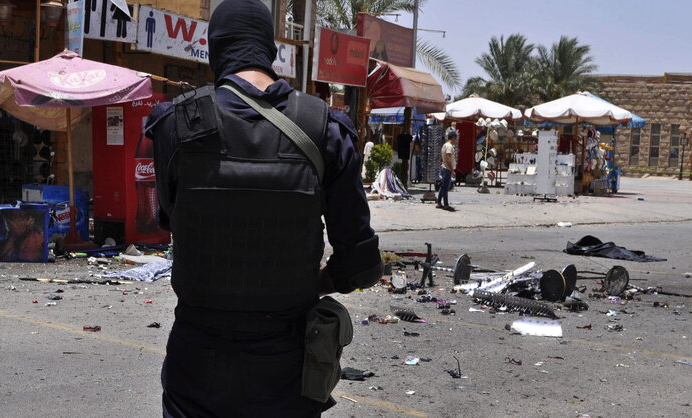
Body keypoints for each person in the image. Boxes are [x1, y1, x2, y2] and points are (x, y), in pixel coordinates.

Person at [143, 1, 383, 416]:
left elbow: (168, 217)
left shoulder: (174, 124)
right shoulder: (324, 126)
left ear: (215, 48)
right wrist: (308, 283)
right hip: (286, 357)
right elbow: (361, 263)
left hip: (198, 355)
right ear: (268, 49)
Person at [437, 131, 457, 211]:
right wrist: (452, 170)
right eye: (455, 138)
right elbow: (448, 158)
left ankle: (439, 202)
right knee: (445, 187)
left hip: (444, 167)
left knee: (443, 186)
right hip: (447, 169)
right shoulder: (449, 146)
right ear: (453, 138)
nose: (456, 140)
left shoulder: (445, 145)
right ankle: (446, 205)